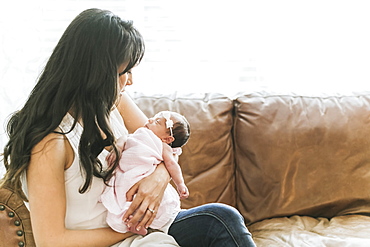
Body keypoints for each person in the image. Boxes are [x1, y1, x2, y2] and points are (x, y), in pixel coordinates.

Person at [1, 8, 256, 247]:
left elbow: (165, 143)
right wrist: (130, 228)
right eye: (126, 70)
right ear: (97, 72)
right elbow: (52, 241)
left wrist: (158, 179)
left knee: (222, 218)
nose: (132, 80)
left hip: (144, 229)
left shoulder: (114, 103)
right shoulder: (51, 143)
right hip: (114, 239)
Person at [101, 111, 190, 235]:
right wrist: (119, 147)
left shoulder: (163, 146)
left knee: (136, 198)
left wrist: (180, 183)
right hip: (127, 173)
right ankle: (131, 222)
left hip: (143, 174)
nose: (149, 120)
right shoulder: (140, 133)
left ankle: (137, 224)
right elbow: (126, 139)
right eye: (152, 118)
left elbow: (171, 164)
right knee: (123, 195)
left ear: (167, 138)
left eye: (157, 122)